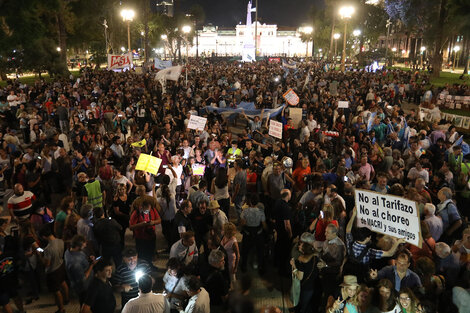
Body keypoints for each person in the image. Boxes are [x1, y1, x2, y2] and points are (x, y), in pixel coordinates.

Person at [38, 225, 69, 313]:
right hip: (61, 265)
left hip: (53, 270)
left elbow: (47, 264)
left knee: (56, 290)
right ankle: (67, 299)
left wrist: (41, 256)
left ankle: (61, 308)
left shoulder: (48, 249)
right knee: (63, 282)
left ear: (44, 237)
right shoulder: (60, 241)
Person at [240, 193, 267, 275]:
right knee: (260, 251)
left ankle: (244, 266)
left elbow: (243, 223)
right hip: (258, 234)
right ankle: (261, 267)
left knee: (245, 251)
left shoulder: (245, 212)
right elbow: (264, 225)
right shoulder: (261, 212)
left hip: (248, 234)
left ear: (250, 202)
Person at [290, 232, 317, 313]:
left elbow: (300, 276)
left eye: (301, 247)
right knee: (304, 303)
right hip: (310, 285)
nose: (299, 246)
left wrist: (294, 266)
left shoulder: (302, 260)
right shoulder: (314, 256)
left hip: (305, 286)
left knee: (303, 304)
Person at [129, 199, 161, 264]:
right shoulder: (136, 213)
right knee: (142, 255)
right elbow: (131, 227)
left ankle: (150, 265)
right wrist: (141, 224)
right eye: (146, 210)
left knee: (150, 253)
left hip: (151, 236)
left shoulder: (153, 210)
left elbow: (159, 220)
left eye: (149, 210)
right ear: (142, 207)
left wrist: (153, 222)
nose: (147, 212)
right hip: (140, 238)